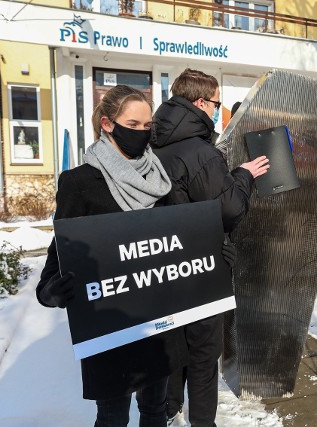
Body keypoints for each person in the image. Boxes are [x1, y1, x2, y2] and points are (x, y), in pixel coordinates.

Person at [36, 85, 189, 427]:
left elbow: (178, 236)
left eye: (148, 126)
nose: (142, 133)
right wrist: (48, 288)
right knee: (112, 417)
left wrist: (210, 250)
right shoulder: (80, 181)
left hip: (156, 318)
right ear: (107, 124)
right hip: (109, 325)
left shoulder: (160, 178)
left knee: (155, 409)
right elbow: (64, 243)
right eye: (133, 125)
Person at [151, 68, 269, 426]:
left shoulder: (154, 143)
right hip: (201, 266)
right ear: (200, 102)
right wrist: (244, 175)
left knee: (173, 350)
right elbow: (228, 209)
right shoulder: (201, 152)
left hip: (164, 264)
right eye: (217, 104)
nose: (219, 110)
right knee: (203, 355)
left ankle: (169, 413)